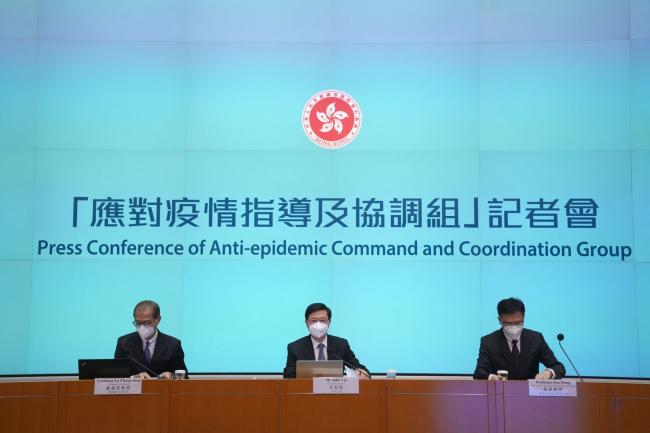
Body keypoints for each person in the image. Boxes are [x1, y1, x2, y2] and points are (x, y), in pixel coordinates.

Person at [473, 297, 565, 380]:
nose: (513, 327)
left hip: (530, 395)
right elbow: (479, 372)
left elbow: (558, 367)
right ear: (499, 320)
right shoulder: (489, 342)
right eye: (508, 323)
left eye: (518, 323)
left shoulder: (536, 338)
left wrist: (549, 373)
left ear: (524, 317)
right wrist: (492, 377)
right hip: (501, 394)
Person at [283, 302, 370, 379]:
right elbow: (288, 376)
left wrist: (362, 372)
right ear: (306, 323)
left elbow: (359, 368)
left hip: (336, 395)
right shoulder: (295, 347)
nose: (318, 324)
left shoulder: (341, 345)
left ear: (329, 322)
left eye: (322, 320)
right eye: (314, 320)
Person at [114, 300, 187, 379]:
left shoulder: (173, 345)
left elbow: (184, 376)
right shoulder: (124, 343)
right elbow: (116, 376)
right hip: (135, 390)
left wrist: (172, 376)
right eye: (138, 322)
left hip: (162, 390)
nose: (142, 327)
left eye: (147, 322)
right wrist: (133, 378)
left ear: (158, 320)